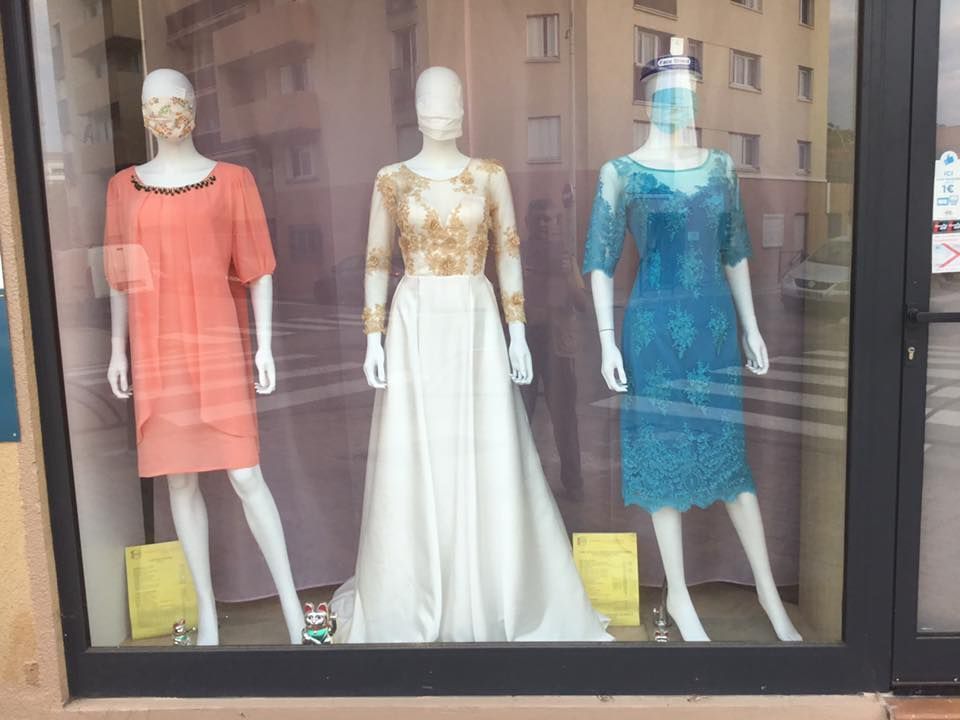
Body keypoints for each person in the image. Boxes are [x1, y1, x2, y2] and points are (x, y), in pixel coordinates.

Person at [520, 193, 589, 501]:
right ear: (528, 223)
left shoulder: (566, 256)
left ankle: (573, 481)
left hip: (558, 345)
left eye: (551, 219)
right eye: (540, 219)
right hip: (526, 341)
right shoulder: (518, 255)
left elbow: (582, 304)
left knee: (564, 418)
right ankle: (521, 478)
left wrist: (567, 275)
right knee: (520, 414)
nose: (546, 225)